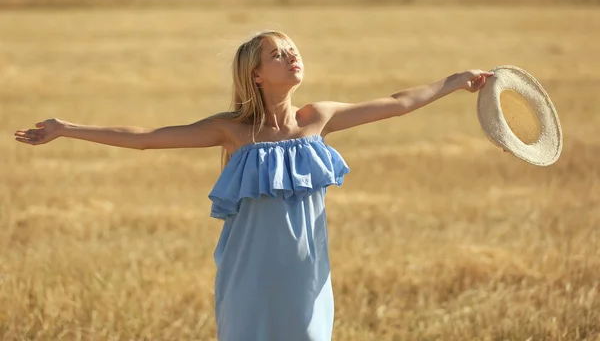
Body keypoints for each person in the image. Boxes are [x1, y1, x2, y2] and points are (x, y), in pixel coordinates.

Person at [14, 30, 493, 341]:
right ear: (257, 74)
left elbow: (397, 101)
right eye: (277, 54)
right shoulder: (233, 130)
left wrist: (454, 81)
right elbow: (147, 140)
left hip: (306, 276)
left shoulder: (318, 119)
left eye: (293, 50)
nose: (291, 56)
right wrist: (68, 127)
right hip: (249, 277)